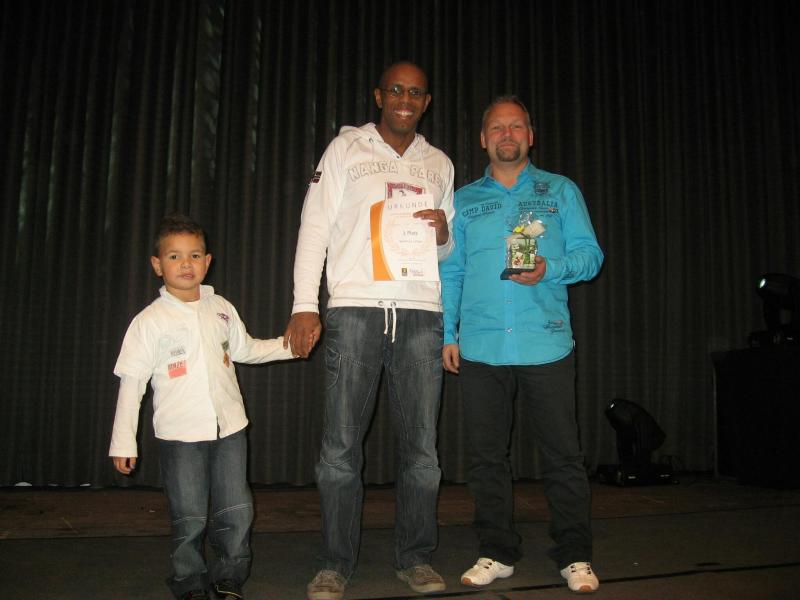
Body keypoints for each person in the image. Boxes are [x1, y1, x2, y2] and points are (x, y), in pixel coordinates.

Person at [283, 61, 455, 600]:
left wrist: (444, 234)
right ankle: (335, 564)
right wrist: (304, 305)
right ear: (379, 96)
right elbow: (315, 227)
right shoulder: (345, 150)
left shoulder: (440, 164)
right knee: (339, 450)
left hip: (421, 314)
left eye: (416, 92)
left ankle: (416, 558)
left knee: (422, 452)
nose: (405, 98)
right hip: (355, 310)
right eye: (396, 90)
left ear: (426, 102)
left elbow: (446, 249)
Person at [440, 96, 604, 594]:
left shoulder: (560, 191)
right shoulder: (463, 200)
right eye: (497, 127)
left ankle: (574, 555)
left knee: (563, 457)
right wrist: (448, 333)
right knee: (487, 458)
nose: (506, 134)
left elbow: (590, 256)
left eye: (516, 126)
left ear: (530, 136)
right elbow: (452, 271)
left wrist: (551, 268)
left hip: (545, 342)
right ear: (483, 139)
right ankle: (497, 551)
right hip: (481, 346)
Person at [109, 214, 295, 600]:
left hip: (230, 430)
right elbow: (131, 383)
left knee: (236, 509)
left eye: (194, 255)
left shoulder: (220, 307)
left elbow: (246, 349)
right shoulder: (149, 321)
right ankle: (189, 581)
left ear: (207, 262)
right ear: (157, 265)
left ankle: (229, 576)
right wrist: (123, 441)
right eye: (174, 256)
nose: (186, 264)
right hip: (180, 436)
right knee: (189, 515)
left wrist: (291, 346)